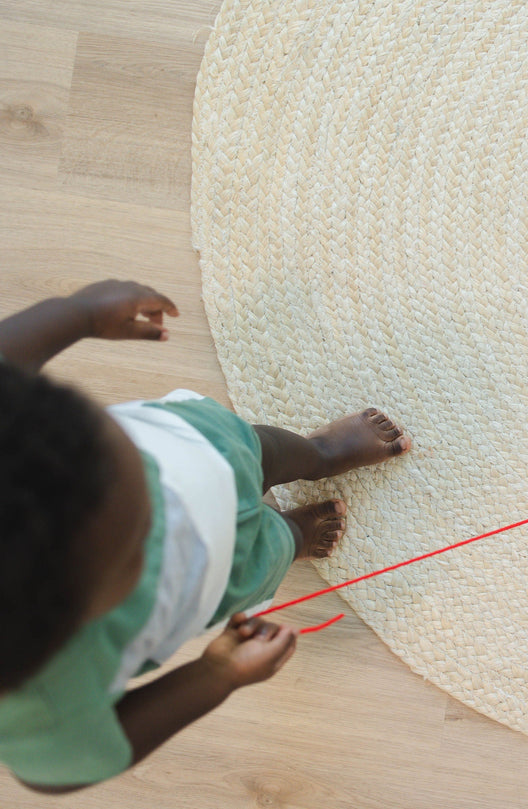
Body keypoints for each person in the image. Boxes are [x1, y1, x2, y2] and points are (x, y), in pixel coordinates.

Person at [0, 280, 410, 792]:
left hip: (192, 444)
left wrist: (77, 313)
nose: (161, 505)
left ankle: (318, 455)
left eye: (113, 450)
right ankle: (289, 537)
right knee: (264, 552)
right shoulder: (33, 705)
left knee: (256, 449)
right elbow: (61, 772)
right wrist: (213, 678)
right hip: (206, 575)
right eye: (136, 544)